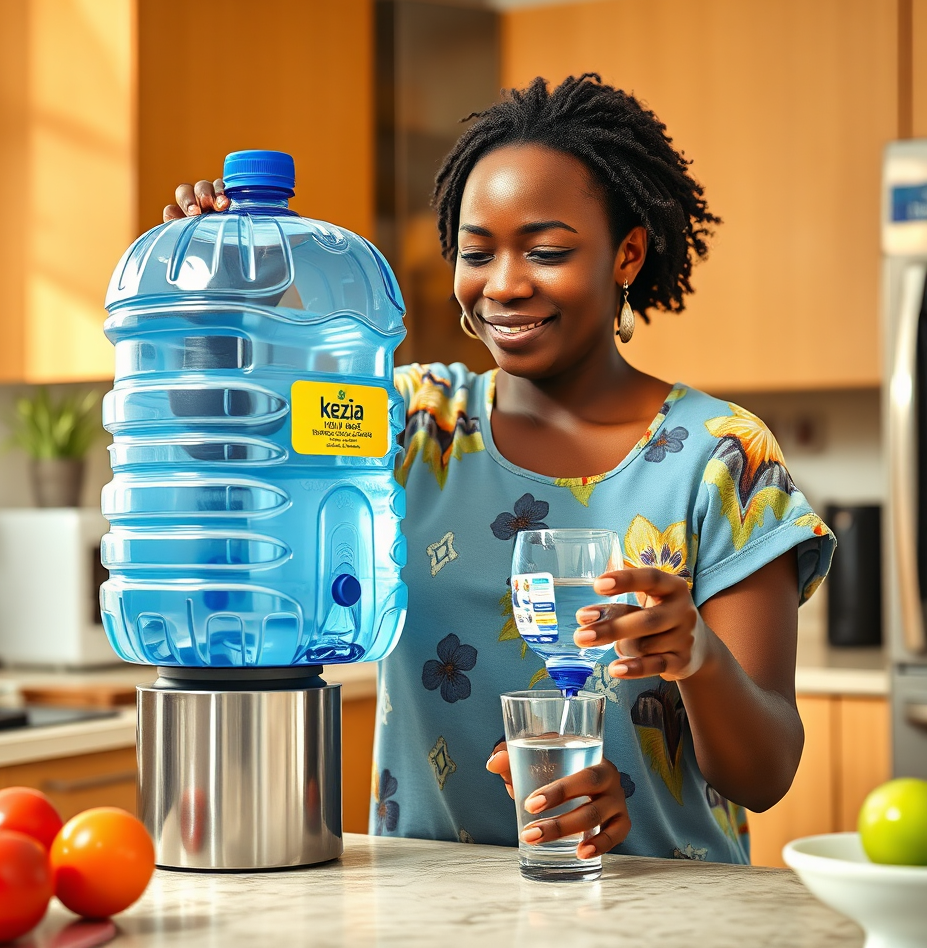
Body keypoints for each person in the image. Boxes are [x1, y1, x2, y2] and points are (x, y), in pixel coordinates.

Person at [162, 74, 834, 864]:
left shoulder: (725, 457)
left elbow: (766, 772)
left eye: (546, 252)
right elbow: (232, 460)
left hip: (660, 910)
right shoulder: (410, 425)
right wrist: (215, 301)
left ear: (627, 253)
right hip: (425, 912)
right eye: (477, 253)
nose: (505, 284)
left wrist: (698, 657)